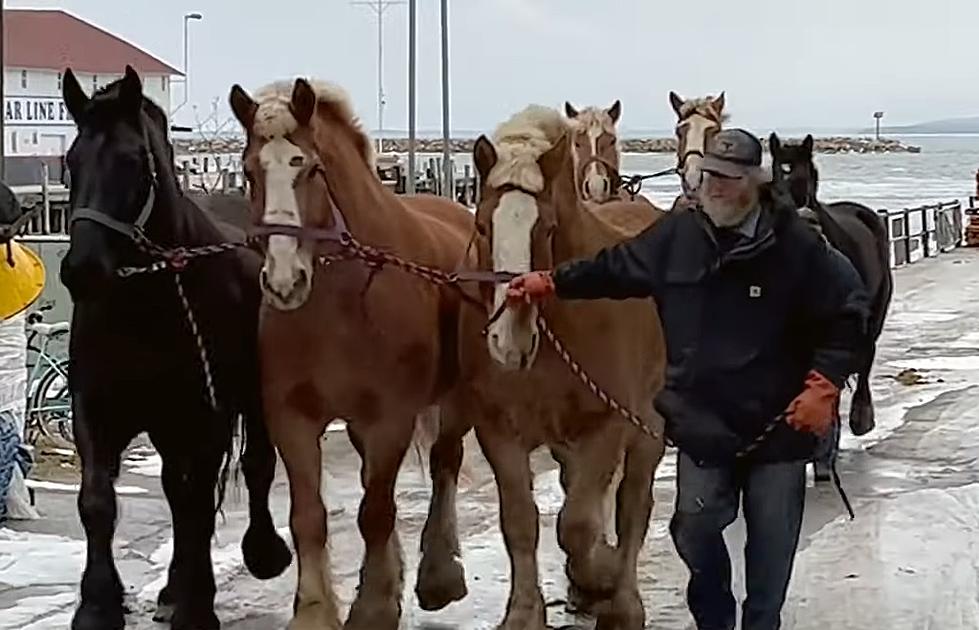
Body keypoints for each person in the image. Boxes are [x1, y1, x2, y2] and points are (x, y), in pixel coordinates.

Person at [506, 128, 869, 630]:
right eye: (707, 177)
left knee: (769, 549)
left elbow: (849, 309)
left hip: (779, 428)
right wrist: (550, 281)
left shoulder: (796, 245)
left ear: (754, 183)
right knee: (693, 530)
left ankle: (761, 623)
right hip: (705, 425)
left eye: (726, 179)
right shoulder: (680, 236)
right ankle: (714, 619)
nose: (713, 188)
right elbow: (618, 267)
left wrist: (825, 386)